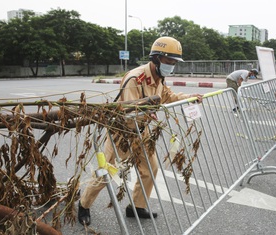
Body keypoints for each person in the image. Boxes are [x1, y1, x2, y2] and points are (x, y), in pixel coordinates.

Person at [77, 36, 203, 226]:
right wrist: (147, 114)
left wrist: (189, 96)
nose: (172, 65)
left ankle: (136, 206)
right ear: (157, 58)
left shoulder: (158, 77)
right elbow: (129, 111)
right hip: (122, 133)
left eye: (174, 62)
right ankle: (83, 204)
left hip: (141, 131)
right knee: (106, 173)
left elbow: (167, 96)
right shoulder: (135, 78)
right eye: (169, 61)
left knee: (150, 169)